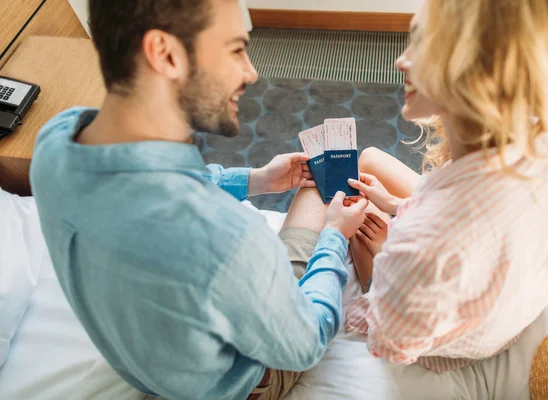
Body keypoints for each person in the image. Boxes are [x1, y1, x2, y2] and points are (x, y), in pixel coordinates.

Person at [29, 0, 368, 399]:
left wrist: (254, 180)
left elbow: (155, 178)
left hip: (143, 361)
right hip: (245, 381)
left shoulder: (56, 141)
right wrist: (333, 237)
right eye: (235, 49)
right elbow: (305, 343)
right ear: (166, 54)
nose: (251, 72)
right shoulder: (226, 236)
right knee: (322, 188)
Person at [344, 0, 548, 373]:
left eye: (424, 46)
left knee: (353, 224)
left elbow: (391, 340)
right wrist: (397, 205)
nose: (400, 61)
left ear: (472, 71)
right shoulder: (546, 149)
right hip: (511, 297)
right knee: (370, 161)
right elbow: (461, 211)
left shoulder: (422, 243)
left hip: (466, 338)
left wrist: (383, 261)